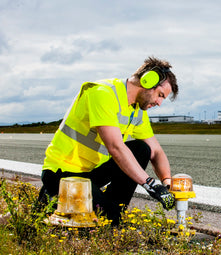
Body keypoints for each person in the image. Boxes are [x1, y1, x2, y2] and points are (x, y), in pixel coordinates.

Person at [38, 56, 178, 225]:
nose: (159, 103)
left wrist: (167, 183)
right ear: (148, 81)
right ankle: (52, 196)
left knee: (142, 149)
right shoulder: (102, 93)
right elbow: (115, 148)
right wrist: (151, 185)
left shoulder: (137, 111)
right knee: (103, 219)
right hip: (63, 173)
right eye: (160, 95)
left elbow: (156, 151)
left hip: (92, 174)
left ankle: (111, 212)